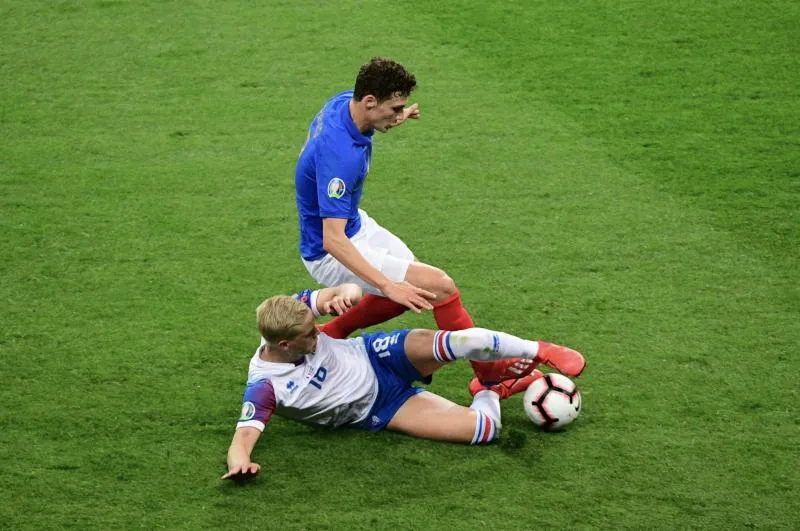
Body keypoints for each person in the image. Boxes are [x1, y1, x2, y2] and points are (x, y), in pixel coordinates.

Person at [294, 56, 585, 383]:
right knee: (439, 287)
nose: (397, 114)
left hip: (354, 224)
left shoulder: (346, 103)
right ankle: (490, 373)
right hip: (329, 249)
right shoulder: (339, 156)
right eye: (394, 109)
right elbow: (332, 240)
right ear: (371, 101)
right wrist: (387, 284)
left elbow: (364, 123)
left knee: (417, 291)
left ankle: (333, 332)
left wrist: (396, 117)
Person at [222, 284, 585, 480]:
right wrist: (240, 464)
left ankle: (541, 349)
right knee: (486, 429)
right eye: (309, 334)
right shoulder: (265, 386)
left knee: (459, 341)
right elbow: (243, 439)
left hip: (377, 355)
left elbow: (344, 290)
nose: (319, 333)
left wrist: (345, 295)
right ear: (284, 345)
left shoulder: (291, 311)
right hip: (382, 408)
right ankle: (489, 388)